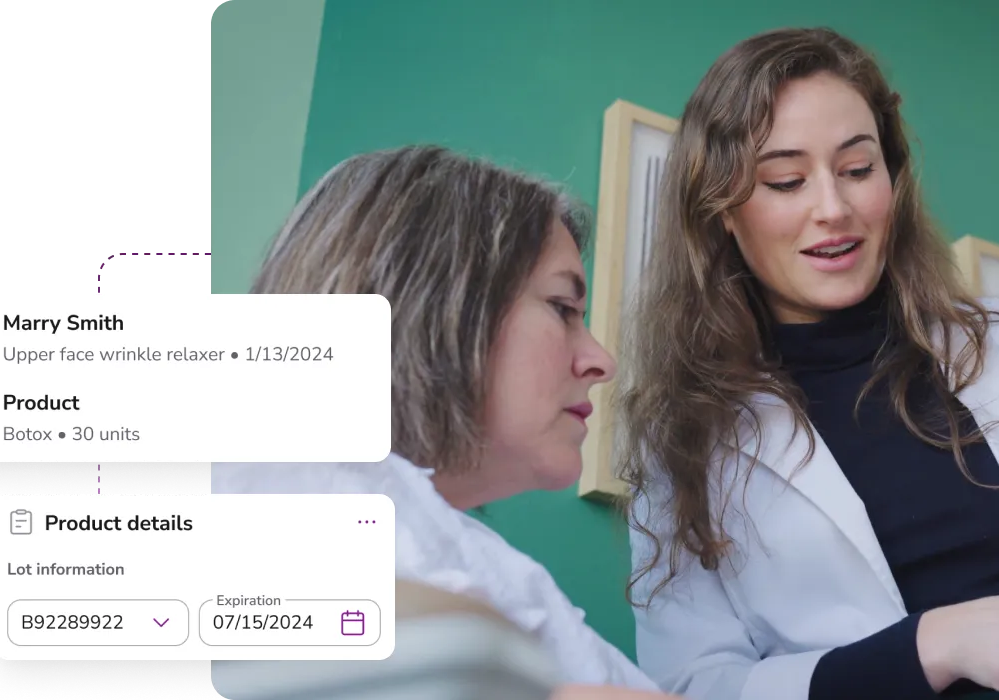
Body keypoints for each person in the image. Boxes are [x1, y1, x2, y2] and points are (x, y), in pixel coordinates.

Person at [616, 27, 999, 700]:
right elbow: (694, 685)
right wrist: (936, 643)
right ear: (723, 215)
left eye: (858, 169)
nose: (835, 208)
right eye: (786, 180)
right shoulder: (685, 437)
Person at [213, 145, 676, 699]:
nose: (601, 360)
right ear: (434, 300)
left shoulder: (489, 565)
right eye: (560, 307)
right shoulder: (263, 481)